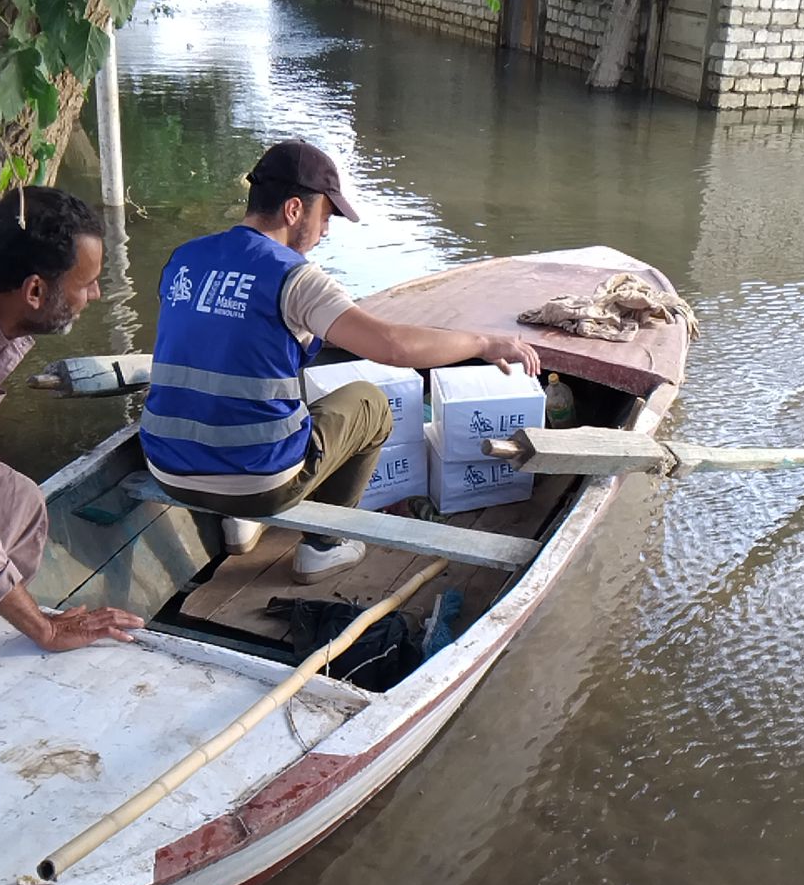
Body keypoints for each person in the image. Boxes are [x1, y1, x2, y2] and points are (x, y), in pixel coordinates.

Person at [141, 139, 540, 583]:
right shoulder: (294, 277)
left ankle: (238, 526)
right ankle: (322, 547)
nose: (325, 232)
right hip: (259, 482)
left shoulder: (183, 260)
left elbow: (219, 339)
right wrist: (483, 342)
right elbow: (393, 346)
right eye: (325, 216)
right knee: (368, 402)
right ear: (295, 210)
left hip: (167, 468)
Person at [0, 187, 143, 651]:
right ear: (34, 290)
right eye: (86, 282)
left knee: (21, 502)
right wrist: (43, 628)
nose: (93, 294)